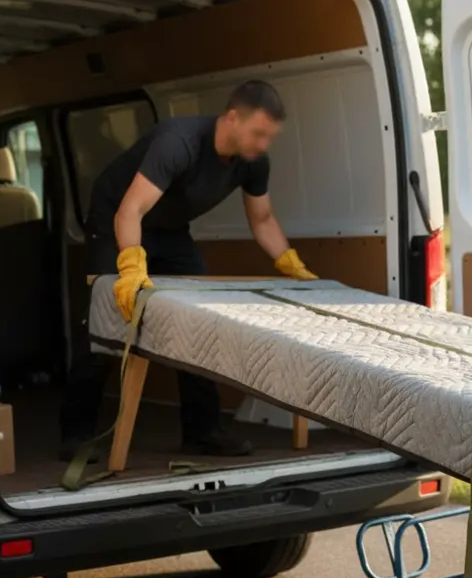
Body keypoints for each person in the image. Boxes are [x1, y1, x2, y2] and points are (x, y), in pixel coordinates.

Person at [59, 81, 318, 461]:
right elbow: (130, 212)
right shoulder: (178, 143)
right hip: (117, 217)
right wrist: (130, 267)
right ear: (232, 118)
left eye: (270, 136)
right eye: (258, 133)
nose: (264, 144)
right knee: (105, 319)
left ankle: (202, 430)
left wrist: (291, 264)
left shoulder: (254, 162)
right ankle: (76, 433)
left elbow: (262, 219)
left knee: (200, 322)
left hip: (170, 230)